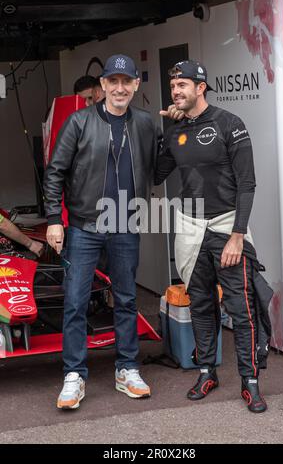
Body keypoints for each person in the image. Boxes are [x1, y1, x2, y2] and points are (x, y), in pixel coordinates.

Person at [44, 54, 164, 409]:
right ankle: (74, 375)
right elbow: (55, 172)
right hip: (85, 226)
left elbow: (158, 170)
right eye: (113, 82)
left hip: (126, 224)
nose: (120, 88)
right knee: (76, 302)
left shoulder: (145, 123)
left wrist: (181, 129)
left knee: (127, 299)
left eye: (126, 82)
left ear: (136, 85)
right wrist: (53, 217)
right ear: (103, 86)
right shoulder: (79, 122)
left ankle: (127, 367)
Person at [155, 60, 270, 413]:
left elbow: (247, 183)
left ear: (200, 88)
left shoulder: (229, 123)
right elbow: (159, 173)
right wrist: (163, 134)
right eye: (173, 86)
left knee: (240, 308)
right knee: (201, 303)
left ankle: (250, 381)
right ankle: (207, 371)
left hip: (225, 226)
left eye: (182, 86)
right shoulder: (175, 130)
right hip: (190, 227)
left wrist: (237, 235)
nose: (176, 91)